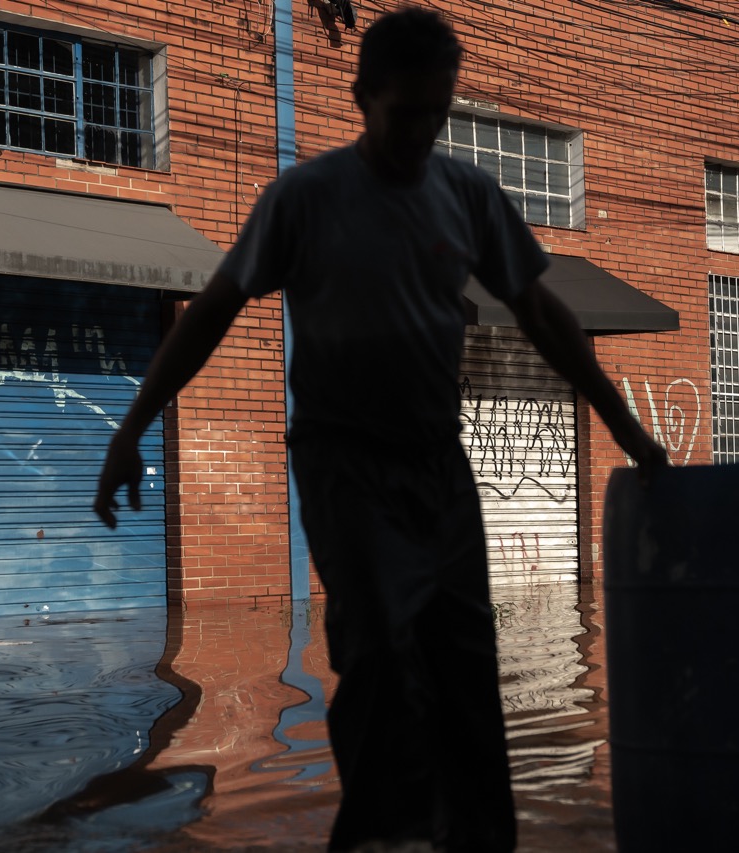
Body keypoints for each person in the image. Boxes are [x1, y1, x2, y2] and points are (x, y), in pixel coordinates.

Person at [93, 7, 666, 851]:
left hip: (438, 462)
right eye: (406, 114)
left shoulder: (467, 194)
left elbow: (542, 314)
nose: (421, 132)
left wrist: (627, 429)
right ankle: (374, 835)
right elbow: (211, 312)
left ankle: (477, 836)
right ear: (363, 98)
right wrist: (130, 428)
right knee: (377, 649)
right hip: (342, 462)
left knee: (466, 662)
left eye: (438, 113)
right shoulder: (306, 198)